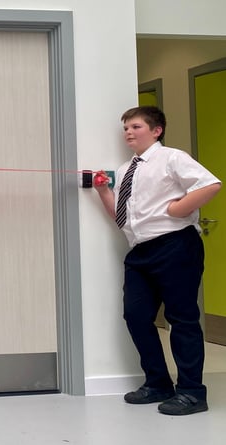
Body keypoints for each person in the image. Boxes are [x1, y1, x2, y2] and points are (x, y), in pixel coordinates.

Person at [94, 106, 221, 416]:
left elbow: (210, 184)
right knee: (136, 316)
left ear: (156, 130)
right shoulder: (125, 170)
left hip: (175, 245)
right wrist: (103, 191)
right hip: (140, 251)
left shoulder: (172, 158)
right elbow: (123, 219)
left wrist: (178, 210)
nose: (128, 132)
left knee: (182, 319)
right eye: (125, 127)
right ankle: (158, 383)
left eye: (135, 126)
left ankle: (192, 392)